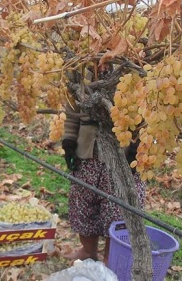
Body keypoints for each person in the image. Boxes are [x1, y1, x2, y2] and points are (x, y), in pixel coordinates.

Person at [61, 71, 145, 265]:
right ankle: (88, 251)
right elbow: (72, 113)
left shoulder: (134, 75)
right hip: (87, 156)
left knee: (118, 212)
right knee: (82, 204)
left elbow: (147, 117)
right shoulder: (82, 72)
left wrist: (136, 149)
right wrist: (69, 142)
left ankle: (110, 259)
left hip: (121, 159)